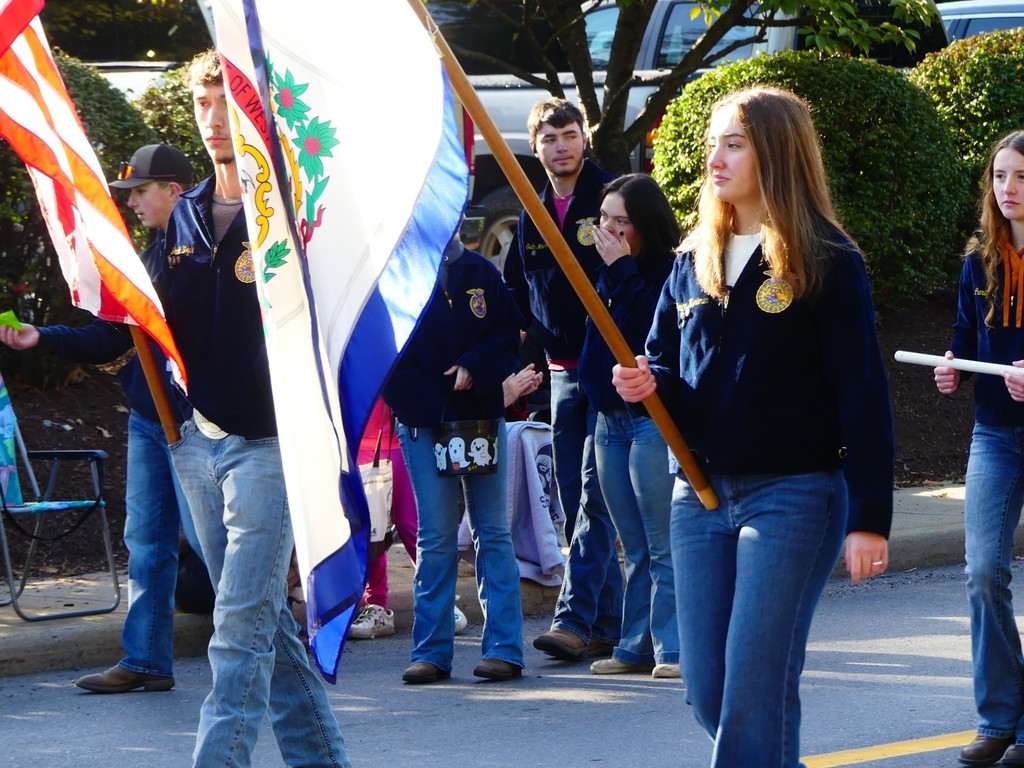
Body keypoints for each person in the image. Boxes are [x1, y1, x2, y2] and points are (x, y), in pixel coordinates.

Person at [612, 86, 894, 768]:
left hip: (794, 495)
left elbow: (862, 392)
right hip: (699, 495)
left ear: (777, 152)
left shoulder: (828, 261)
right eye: (713, 143)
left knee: (752, 691)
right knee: (709, 689)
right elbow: (667, 371)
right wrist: (643, 386)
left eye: (733, 143)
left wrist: (870, 518)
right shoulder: (690, 262)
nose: (715, 157)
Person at [154, 50, 350, 766]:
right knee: (266, 624)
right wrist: (44, 335)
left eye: (226, 106)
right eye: (203, 106)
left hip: (273, 447)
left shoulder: (294, 213)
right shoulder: (183, 217)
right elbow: (143, 323)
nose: (213, 122)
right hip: (198, 445)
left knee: (236, 627)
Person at [0, 143, 207, 694]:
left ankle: (267, 656)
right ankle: (145, 660)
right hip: (148, 417)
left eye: (140, 191)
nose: (132, 202)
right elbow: (112, 335)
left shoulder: (210, 254)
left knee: (214, 546)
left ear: (174, 190)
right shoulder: (146, 258)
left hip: (198, 423)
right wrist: (42, 337)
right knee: (146, 542)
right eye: (130, 193)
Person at [504, 98, 623, 661]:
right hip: (558, 375)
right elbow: (520, 291)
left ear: (584, 139)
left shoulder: (611, 197)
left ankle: (576, 622)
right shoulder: (531, 206)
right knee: (575, 499)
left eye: (570, 135)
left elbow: (638, 278)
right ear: (535, 147)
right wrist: (517, 359)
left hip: (610, 373)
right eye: (550, 139)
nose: (561, 146)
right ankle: (610, 624)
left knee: (596, 499)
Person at [384, 235, 525, 684]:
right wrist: (434, 400)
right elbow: (384, 356)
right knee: (437, 537)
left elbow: (507, 337)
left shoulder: (483, 273)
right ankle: (431, 650)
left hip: (480, 418)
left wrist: (474, 367)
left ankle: (504, 647)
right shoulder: (397, 275)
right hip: (425, 424)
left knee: (493, 532)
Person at [934, 130, 1024, 768]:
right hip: (994, 432)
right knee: (983, 571)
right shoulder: (978, 261)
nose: (1008, 190)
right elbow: (965, 338)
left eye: (1020, 178)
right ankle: (999, 717)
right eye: (999, 177)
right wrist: (953, 367)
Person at [578, 174, 680, 679]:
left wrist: (620, 271)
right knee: (632, 544)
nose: (610, 231)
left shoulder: (668, 270)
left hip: (650, 422)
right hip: (608, 419)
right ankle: (635, 645)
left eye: (622, 221)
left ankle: (675, 649)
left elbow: (648, 334)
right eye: (605, 220)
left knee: (662, 541)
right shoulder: (606, 271)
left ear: (644, 224)